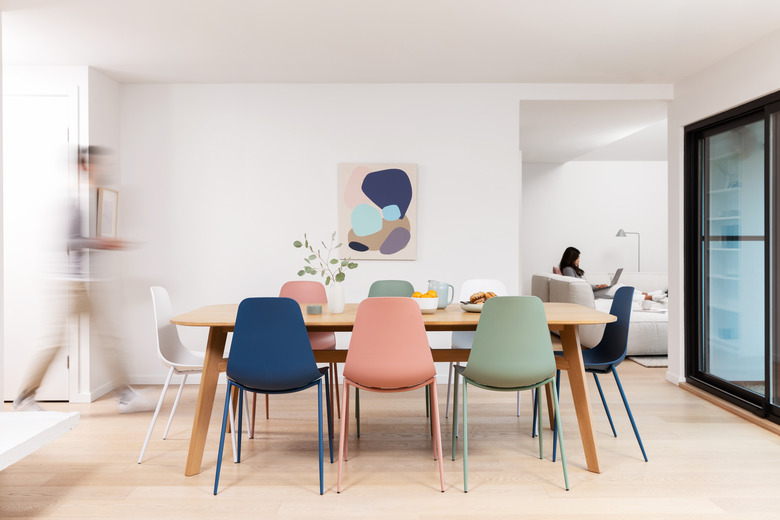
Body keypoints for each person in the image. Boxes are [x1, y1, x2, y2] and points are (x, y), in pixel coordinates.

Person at [13, 146, 154, 413]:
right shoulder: (72, 199)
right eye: (96, 164)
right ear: (84, 166)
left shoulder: (87, 197)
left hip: (85, 283)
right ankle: (24, 397)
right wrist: (104, 243)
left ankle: (125, 393)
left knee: (108, 337)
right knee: (54, 341)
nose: (102, 169)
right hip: (66, 284)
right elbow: (67, 241)